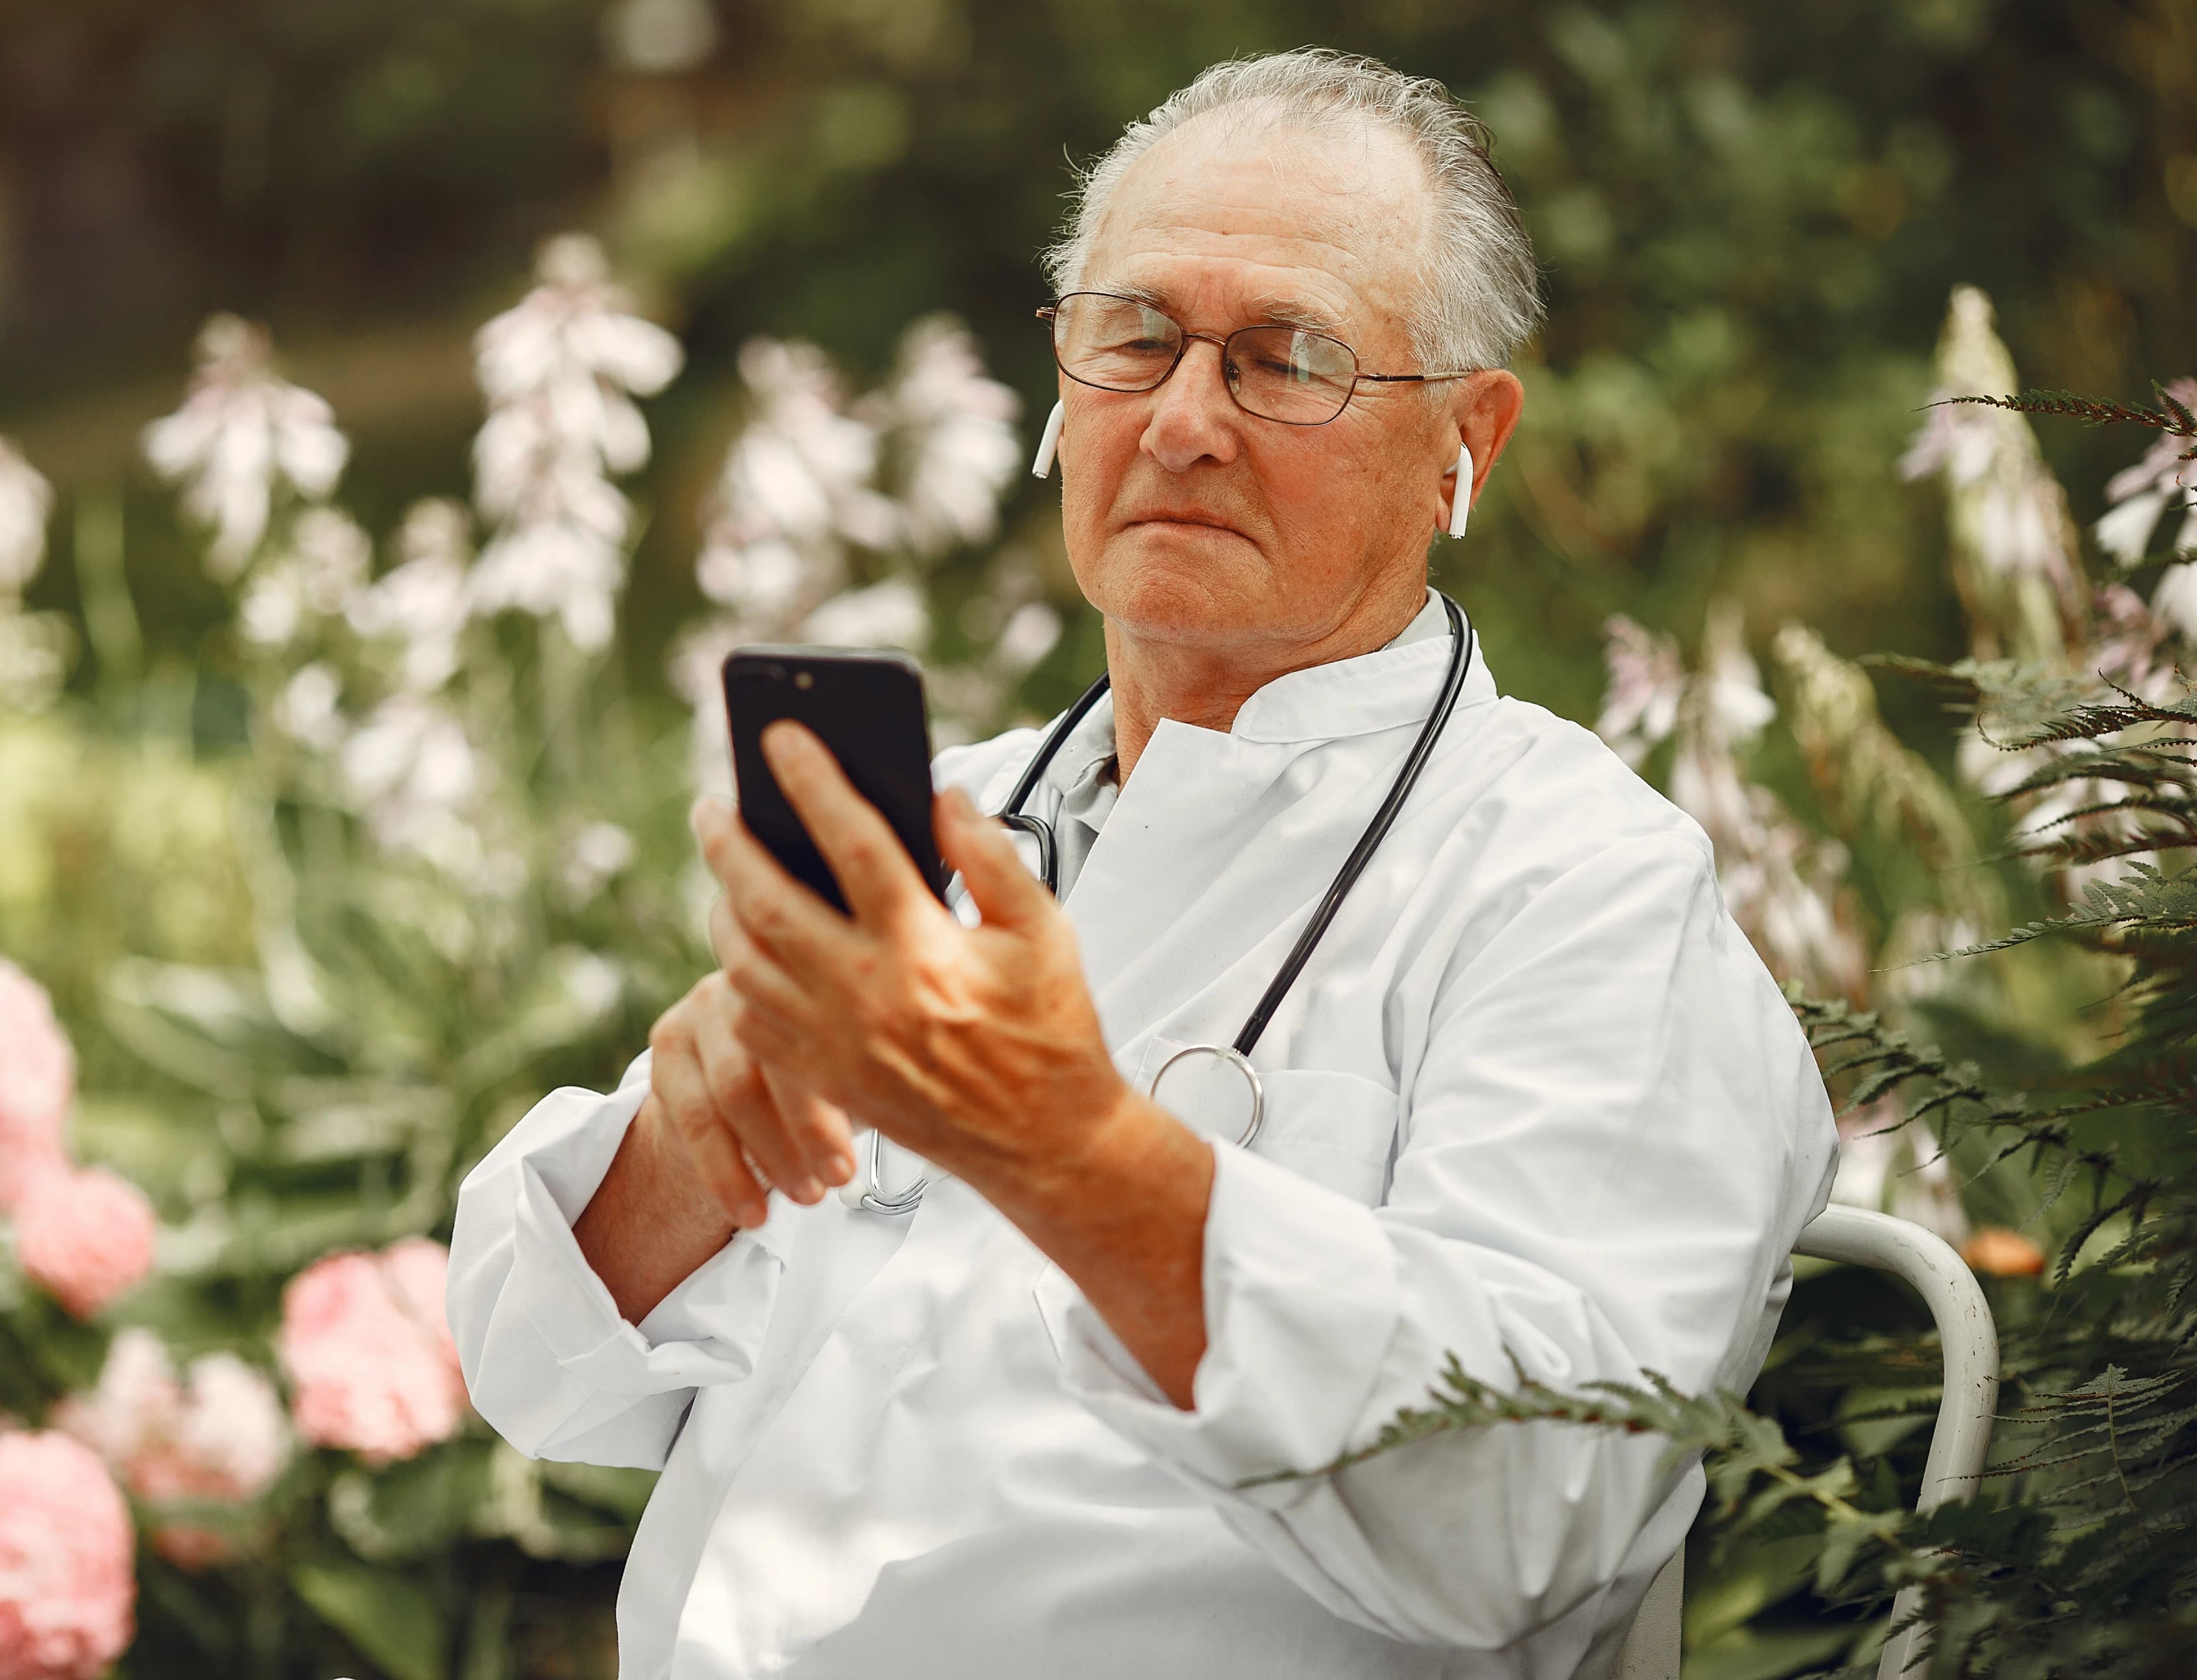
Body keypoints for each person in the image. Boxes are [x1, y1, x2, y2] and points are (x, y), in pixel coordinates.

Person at [448, 47, 1836, 1680]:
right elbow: (531, 1370)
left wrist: (1076, 1157)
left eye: (1285, 357)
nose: (1183, 422)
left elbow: (1535, 1503)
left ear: (1471, 437)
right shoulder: (952, 821)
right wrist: (686, 1159)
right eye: (1135, 338)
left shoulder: (1582, 891)